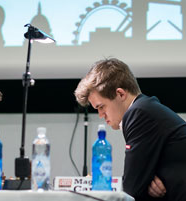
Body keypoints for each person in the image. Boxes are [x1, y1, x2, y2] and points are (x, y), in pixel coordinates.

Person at [74, 58, 186, 201]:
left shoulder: (139, 113)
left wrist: (141, 182)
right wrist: (144, 181)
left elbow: (131, 188)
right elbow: (137, 182)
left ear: (120, 94)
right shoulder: (146, 108)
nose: (101, 115)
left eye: (101, 107)